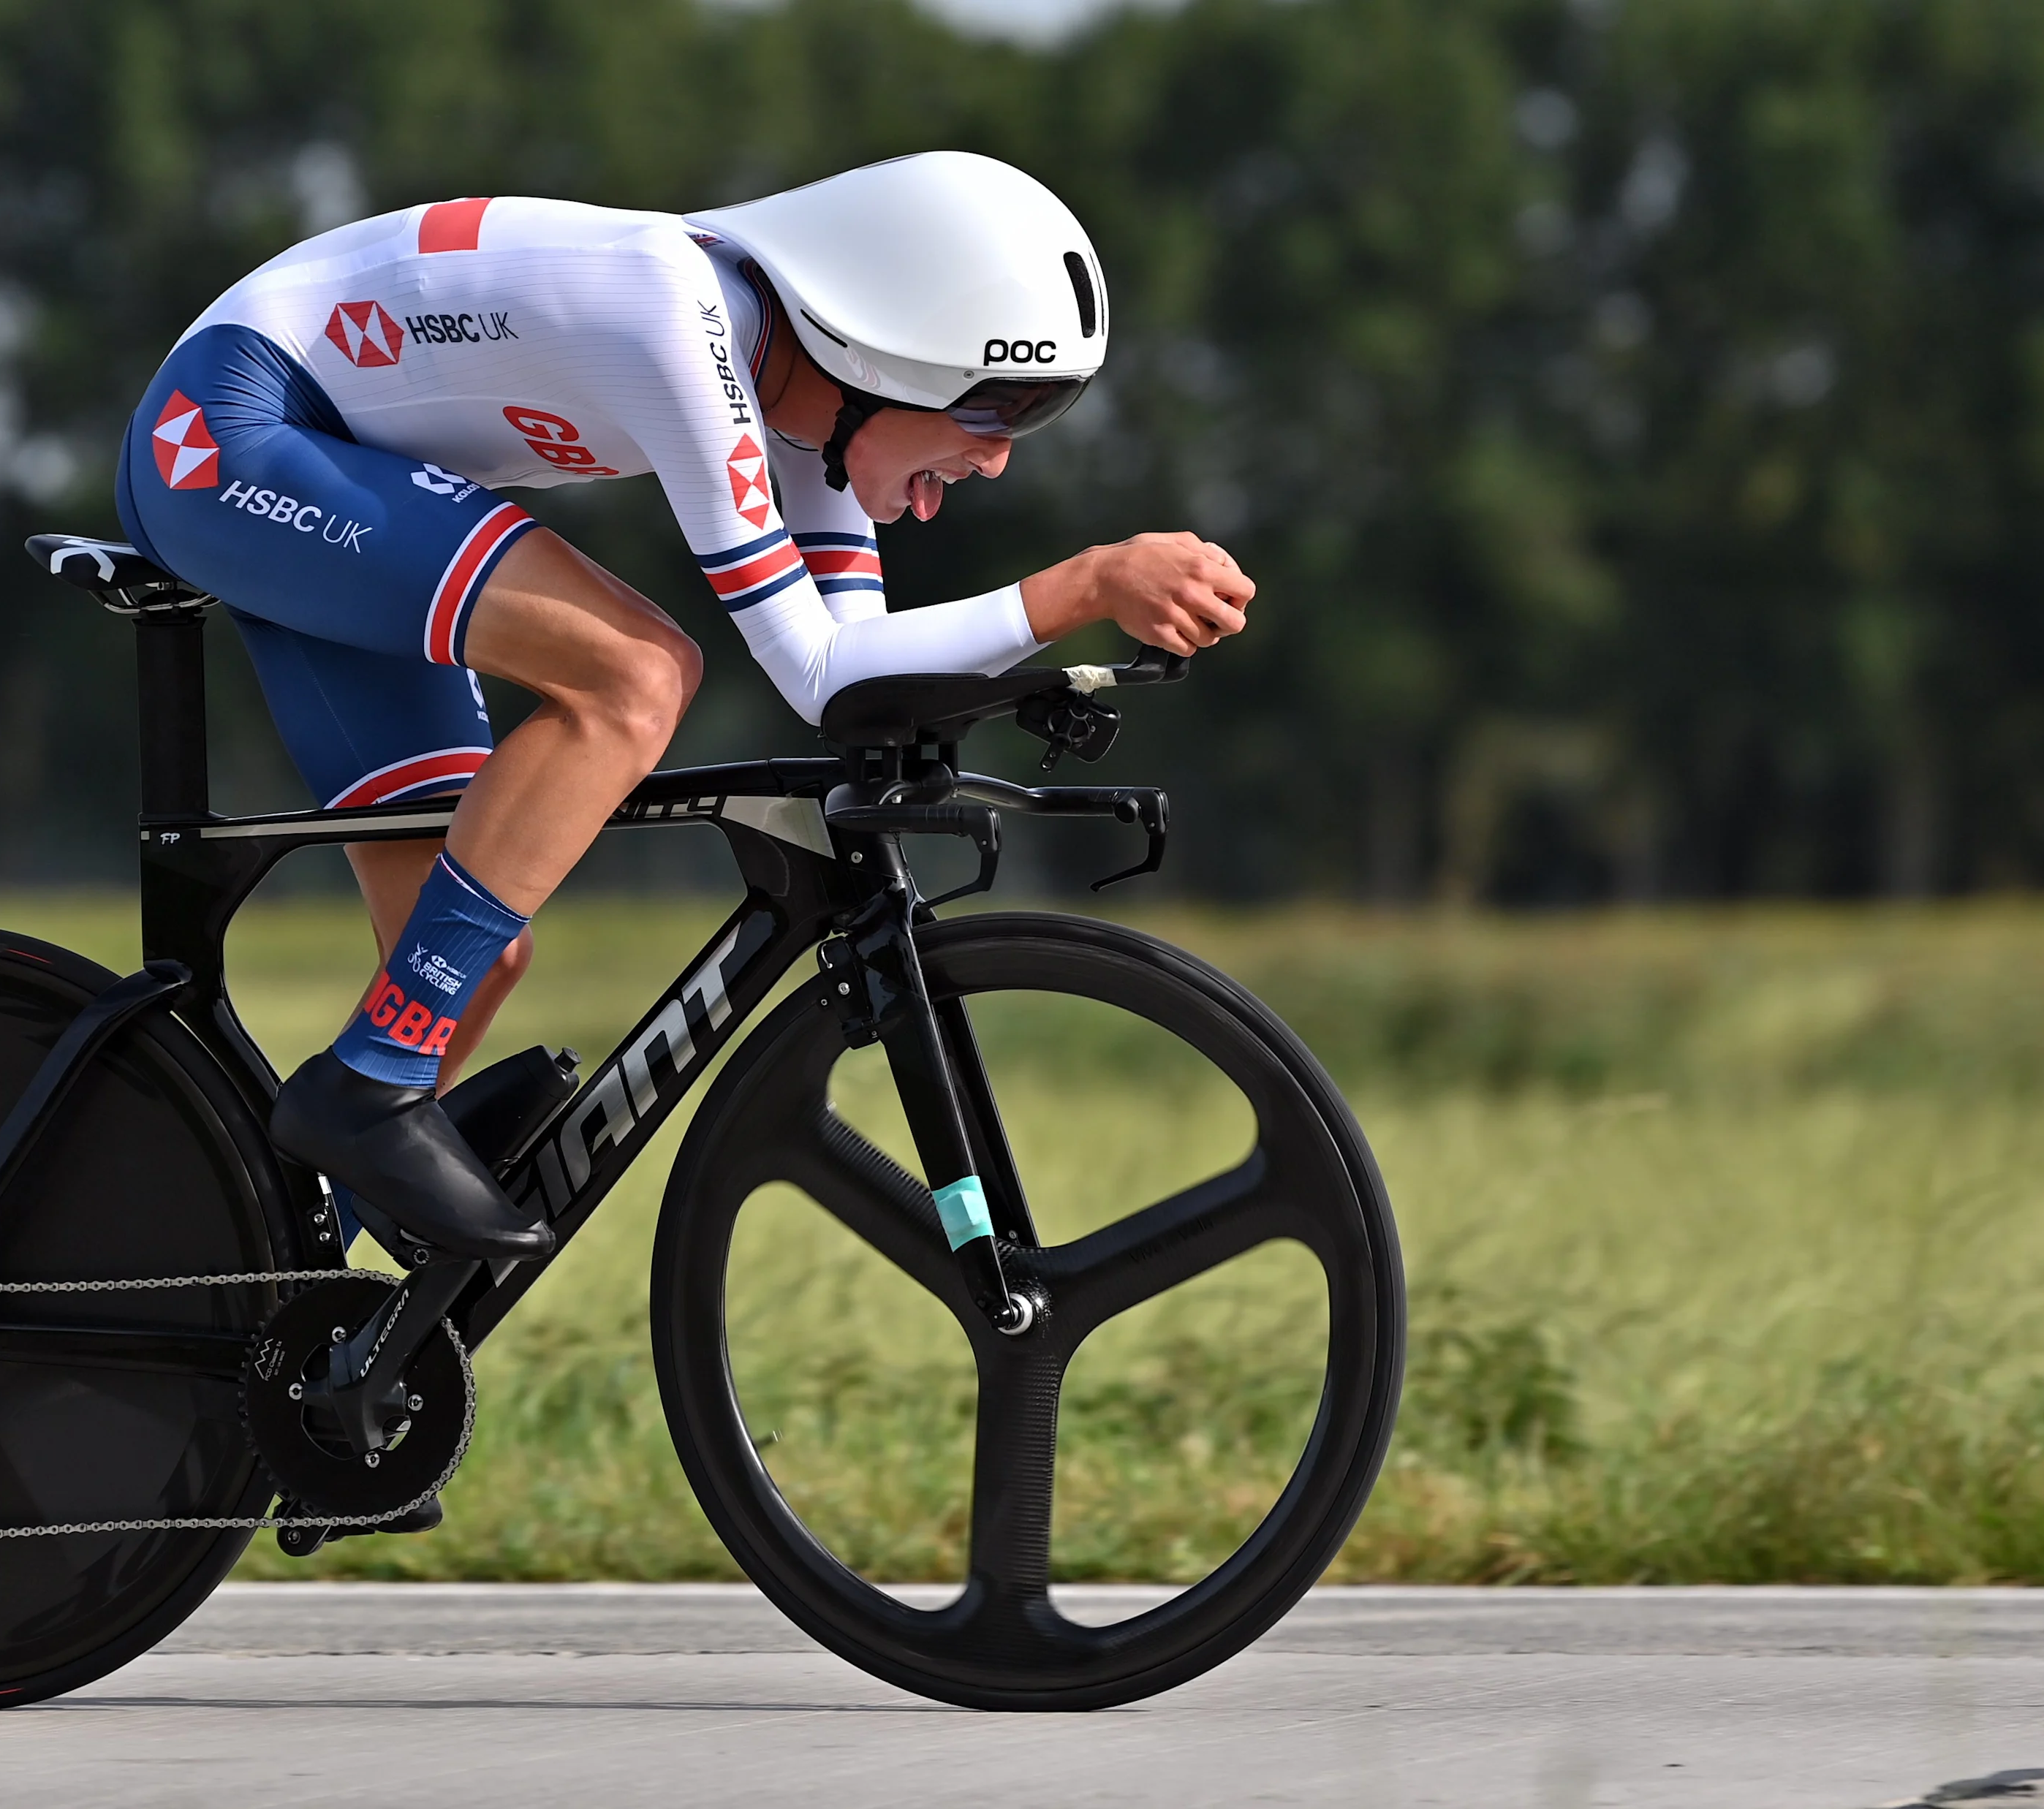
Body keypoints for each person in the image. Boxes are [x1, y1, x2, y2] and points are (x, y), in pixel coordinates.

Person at [116, 151, 1254, 1264]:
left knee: (469, 958)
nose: (998, 459)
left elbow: (860, 677)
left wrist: (1055, 654)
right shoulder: (676, 319)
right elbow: (818, 672)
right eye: (997, 407)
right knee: (639, 674)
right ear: (886, 354)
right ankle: (366, 1088)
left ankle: (237, 1299)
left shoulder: (814, 409)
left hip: (324, 465)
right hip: (229, 432)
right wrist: (1087, 584)